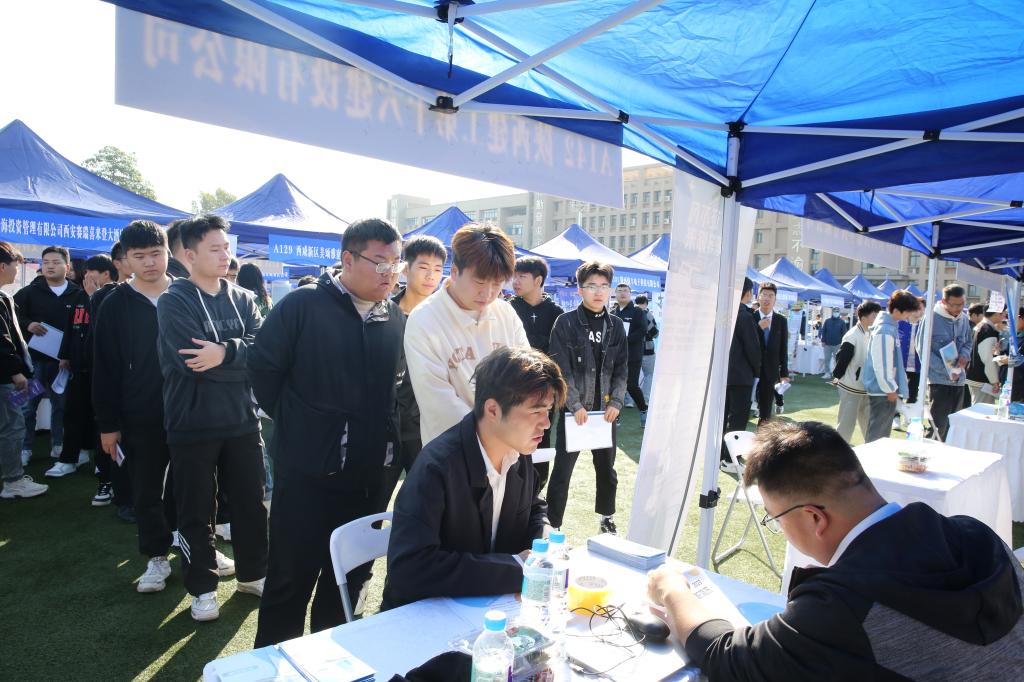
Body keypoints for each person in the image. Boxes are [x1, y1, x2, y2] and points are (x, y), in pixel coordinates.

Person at [647, 420, 1024, 681]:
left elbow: (727, 658)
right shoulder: (978, 535)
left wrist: (673, 590)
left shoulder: (843, 606)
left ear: (814, 517)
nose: (780, 530)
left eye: (776, 519)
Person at [248, 218, 406, 646]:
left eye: (396, 263)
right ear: (347, 259)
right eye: (380, 262)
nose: (390, 273)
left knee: (349, 579)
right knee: (290, 579)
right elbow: (263, 370)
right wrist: (303, 424)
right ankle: (272, 665)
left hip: (369, 475)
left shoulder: (393, 316)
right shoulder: (302, 306)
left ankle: (332, 661)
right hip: (307, 473)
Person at [382, 346, 560, 609]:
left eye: (548, 411)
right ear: (493, 410)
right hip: (425, 616)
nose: (546, 423)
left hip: (488, 608)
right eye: (536, 411)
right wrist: (516, 567)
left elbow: (534, 507)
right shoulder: (436, 468)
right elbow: (409, 569)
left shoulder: (517, 452)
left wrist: (543, 544)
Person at [156, 215, 267, 622]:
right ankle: (202, 589)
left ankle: (254, 574)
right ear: (188, 255)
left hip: (242, 421)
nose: (226, 255)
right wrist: (239, 357)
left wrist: (224, 353)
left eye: (227, 247)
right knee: (196, 511)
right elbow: (190, 362)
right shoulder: (174, 300)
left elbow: (265, 350)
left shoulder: (244, 298)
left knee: (251, 504)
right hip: (192, 424)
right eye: (215, 248)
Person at [93, 220, 180, 592]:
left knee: (196, 485)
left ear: (168, 252)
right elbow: (104, 367)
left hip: (192, 410)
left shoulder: (188, 293)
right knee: (146, 488)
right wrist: (108, 424)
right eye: (139, 256)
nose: (149, 263)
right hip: (139, 414)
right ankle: (156, 556)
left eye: (156, 254)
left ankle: (195, 546)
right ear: (125, 259)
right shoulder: (114, 303)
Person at [404, 224, 528, 445]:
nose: (488, 293)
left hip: (508, 448)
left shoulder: (506, 313)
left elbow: (526, 375)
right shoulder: (424, 320)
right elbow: (439, 403)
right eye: (479, 282)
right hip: (454, 451)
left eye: (497, 284)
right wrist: (495, 434)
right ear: (454, 272)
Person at [547, 261, 627, 533]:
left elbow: (622, 368)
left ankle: (607, 517)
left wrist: (616, 401)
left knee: (607, 470)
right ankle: (553, 525)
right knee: (562, 472)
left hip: (605, 413)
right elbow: (560, 368)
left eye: (604, 286)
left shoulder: (616, 325)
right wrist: (574, 403)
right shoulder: (565, 322)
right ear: (580, 290)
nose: (599, 291)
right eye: (592, 286)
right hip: (575, 413)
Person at [380, 235, 446, 510]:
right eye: (424, 267)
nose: (431, 276)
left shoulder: (445, 318)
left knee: (428, 504)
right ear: (406, 269)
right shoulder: (384, 314)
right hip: (386, 427)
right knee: (373, 503)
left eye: (438, 269)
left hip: (428, 426)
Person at [14, 245, 81, 464]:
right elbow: (12, 318)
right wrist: (28, 324)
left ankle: (58, 444)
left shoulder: (77, 294)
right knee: (26, 406)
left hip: (63, 364)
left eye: (56, 262)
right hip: (33, 363)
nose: (50, 267)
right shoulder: (29, 292)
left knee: (61, 407)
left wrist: (70, 356)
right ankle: (25, 448)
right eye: (46, 263)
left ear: (67, 267)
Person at [509, 254, 564, 485]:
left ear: (538, 280)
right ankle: (513, 484)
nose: (515, 281)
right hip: (514, 387)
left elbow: (559, 352)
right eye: (514, 276)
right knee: (513, 435)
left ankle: (537, 487)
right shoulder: (508, 309)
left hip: (544, 389)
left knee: (541, 435)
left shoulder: (556, 312)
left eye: (521, 276)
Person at [0, 242, 47, 499]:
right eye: (16, 265)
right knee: (13, 425)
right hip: (6, 378)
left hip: (10, 374)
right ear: (3, 266)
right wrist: (15, 371)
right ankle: (13, 481)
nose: (18, 270)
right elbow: (2, 340)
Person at [861, 290, 920, 442]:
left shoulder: (888, 327)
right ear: (897, 310)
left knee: (880, 433)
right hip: (882, 390)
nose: (909, 315)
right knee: (878, 435)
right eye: (908, 312)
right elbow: (881, 363)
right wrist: (890, 388)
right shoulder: (885, 329)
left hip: (884, 389)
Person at [924, 284, 972, 440]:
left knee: (953, 427)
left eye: (962, 304)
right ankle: (927, 454)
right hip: (939, 381)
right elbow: (923, 351)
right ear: (944, 302)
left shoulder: (964, 319)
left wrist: (964, 356)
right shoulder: (931, 318)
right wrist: (947, 371)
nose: (958, 308)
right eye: (954, 305)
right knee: (937, 427)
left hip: (959, 381)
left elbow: (968, 342)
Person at [831, 301, 881, 442]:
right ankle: (839, 453)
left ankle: (872, 450)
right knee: (846, 425)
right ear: (863, 318)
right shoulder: (852, 335)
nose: (877, 318)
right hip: (851, 387)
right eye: (874, 315)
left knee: (869, 426)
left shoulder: (872, 333)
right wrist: (837, 377)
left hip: (866, 388)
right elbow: (842, 359)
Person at [724, 277, 761, 443]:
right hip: (741, 376)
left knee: (723, 417)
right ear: (747, 293)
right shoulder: (745, 316)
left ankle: (721, 453)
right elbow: (752, 348)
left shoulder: (724, 313)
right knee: (738, 420)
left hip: (724, 375)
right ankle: (730, 455)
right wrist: (757, 370)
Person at [611, 283, 649, 425]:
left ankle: (643, 410)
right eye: (619, 290)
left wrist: (625, 340)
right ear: (615, 293)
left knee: (631, 385)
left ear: (630, 294)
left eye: (625, 291)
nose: (622, 293)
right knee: (614, 386)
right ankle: (615, 417)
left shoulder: (637, 312)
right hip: (615, 356)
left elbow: (642, 330)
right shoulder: (612, 312)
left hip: (632, 356)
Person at [754, 283, 789, 424]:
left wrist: (784, 373)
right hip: (750, 370)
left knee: (765, 413)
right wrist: (758, 328)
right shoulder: (750, 317)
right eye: (764, 295)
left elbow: (783, 348)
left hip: (771, 371)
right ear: (758, 297)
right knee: (744, 408)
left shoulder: (781, 320)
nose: (767, 298)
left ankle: (761, 437)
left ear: (775, 299)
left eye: (771, 295)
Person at [967, 309, 1002, 405]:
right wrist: (994, 380)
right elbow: (988, 358)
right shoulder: (988, 330)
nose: (1004, 317)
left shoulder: (980, 326)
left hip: (975, 376)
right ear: (997, 313)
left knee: (979, 408)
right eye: (1003, 314)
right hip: (983, 380)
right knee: (982, 410)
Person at [897, 297, 925, 414]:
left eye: (921, 309)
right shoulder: (900, 323)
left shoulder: (925, 326)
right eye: (916, 308)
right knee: (898, 392)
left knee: (913, 394)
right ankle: (896, 416)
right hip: (901, 364)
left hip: (918, 366)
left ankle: (909, 416)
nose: (919, 311)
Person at [635, 294, 659, 405]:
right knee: (649, 375)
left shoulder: (631, 314)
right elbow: (654, 333)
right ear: (646, 303)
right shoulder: (648, 315)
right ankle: (645, 398)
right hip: (647, 350)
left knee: (632, 376)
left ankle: (629, 400)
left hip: (633, 349)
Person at [818, 307, 846, 379]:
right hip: (827, 344)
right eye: (835, 311)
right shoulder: (827, 321)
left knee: (837, 360)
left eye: (837, 311)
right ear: (832, 312)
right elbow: (824, 331)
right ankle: (827, 373)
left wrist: (843, 343)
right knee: (826, 359)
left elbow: (844, 333)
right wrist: (823, 341)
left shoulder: (842, 322)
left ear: (839, 313)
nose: (836, 313)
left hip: (838, 344)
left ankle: (837, 374)